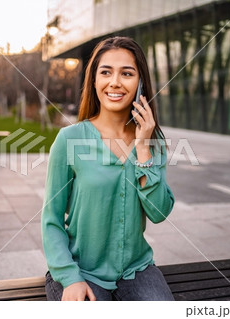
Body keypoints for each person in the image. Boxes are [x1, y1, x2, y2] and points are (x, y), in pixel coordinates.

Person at [42, 36, 175, 301]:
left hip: (137, 271)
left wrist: (144, 148)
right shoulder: (69, 140)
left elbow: (159, 212)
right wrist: (70, 278)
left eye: (127, 73)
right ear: (94, 80)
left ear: (140, 84)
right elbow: (52, 221)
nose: (115, 82)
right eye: (106, 72)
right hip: (81, 271)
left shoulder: (152, 141)